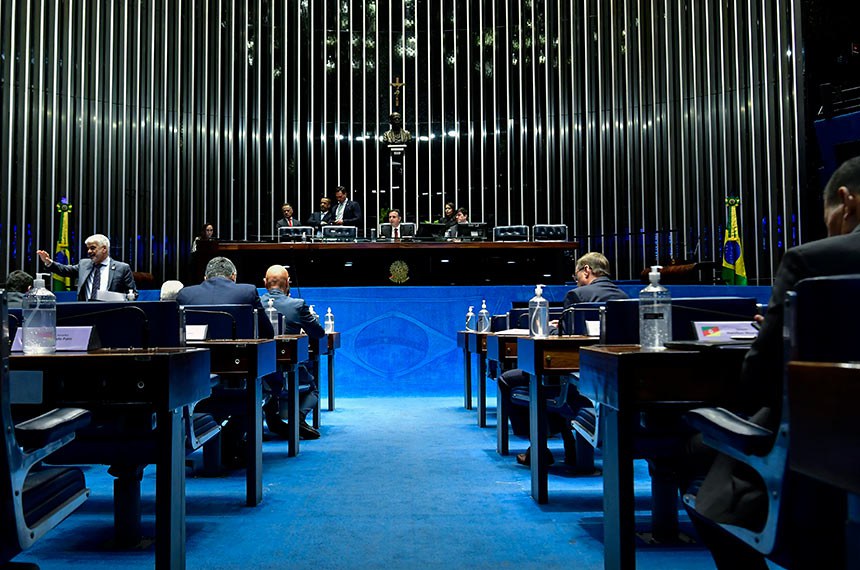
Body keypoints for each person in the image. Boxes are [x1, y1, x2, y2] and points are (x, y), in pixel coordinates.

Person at [687, 156, 860, 569]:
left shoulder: (809, 260)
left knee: (698, 454)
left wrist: (779, 335)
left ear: (846, 200)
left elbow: (758, 379)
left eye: (829, 217)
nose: (830, 227)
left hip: (822, 449)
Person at [500, 252, 628, 467]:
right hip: (609, 379)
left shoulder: (576, 295)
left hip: (574, 374)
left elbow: (564, 343)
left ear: (586, 269)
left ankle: (538, 447)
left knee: (511, 379)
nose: (576, 278)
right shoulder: (624, 298)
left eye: (577, 273)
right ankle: (556, 439)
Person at [260, 265, 325, 441]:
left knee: (268, 380)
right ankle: (299, 418)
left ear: (264, 283)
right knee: (314, 389)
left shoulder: (255, 304)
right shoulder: (297, 305)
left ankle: (273, 420)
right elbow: (319, 334)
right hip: (289, 371)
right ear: (288, 283)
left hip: (261, 372)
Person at [37, 234, 137, 301]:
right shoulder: (84, 264)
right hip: (87, 310)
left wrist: (118, 298)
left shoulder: (122, 268)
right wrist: (48, 262)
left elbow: (133, 294)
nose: (89, 252)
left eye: (93, 248)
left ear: (104, 249)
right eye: (88, 249)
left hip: (112, 312)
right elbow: (65, 270)